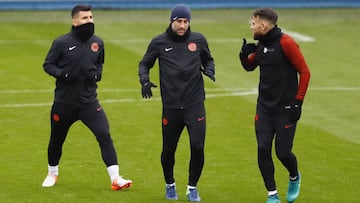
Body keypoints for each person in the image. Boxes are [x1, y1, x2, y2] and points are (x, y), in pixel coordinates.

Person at [41, 4, 132, 191]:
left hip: (89, 102)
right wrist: (64, 74)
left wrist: (97, 75)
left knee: (104, 135)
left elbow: (99, 65)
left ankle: (116, 179)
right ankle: (52, 173)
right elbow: (48, 65)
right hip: (64, 104)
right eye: (84, 18)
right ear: (74, 21)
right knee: (57, 140)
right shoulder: (61, 43)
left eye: (91, 17)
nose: (89, 21)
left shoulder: (98, 43)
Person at [138, 4, 215, 202]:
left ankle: (192, 188)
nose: (182, 25)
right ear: (172, 21)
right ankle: (170, 185)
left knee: (197, 146)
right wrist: (144, 80)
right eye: (178, 21)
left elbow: (208, 59)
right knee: (168, 149)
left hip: (194, 103)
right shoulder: (159, 42)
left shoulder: (198, 40)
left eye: (185, 21)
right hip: (171, 106)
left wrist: (210, 69)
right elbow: (145, 63)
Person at [239, 7, 310, 203]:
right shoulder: (262, 43)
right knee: (263, 149)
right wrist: (244, 55)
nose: (250, 26)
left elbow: (305, 72)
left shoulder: (286, 43)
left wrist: (298, 102)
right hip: (264, 108)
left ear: (263, 25)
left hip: (286, 109)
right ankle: (272, 195)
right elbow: (250, 66)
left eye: (253, 23)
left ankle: (294, 176)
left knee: (283, 153)